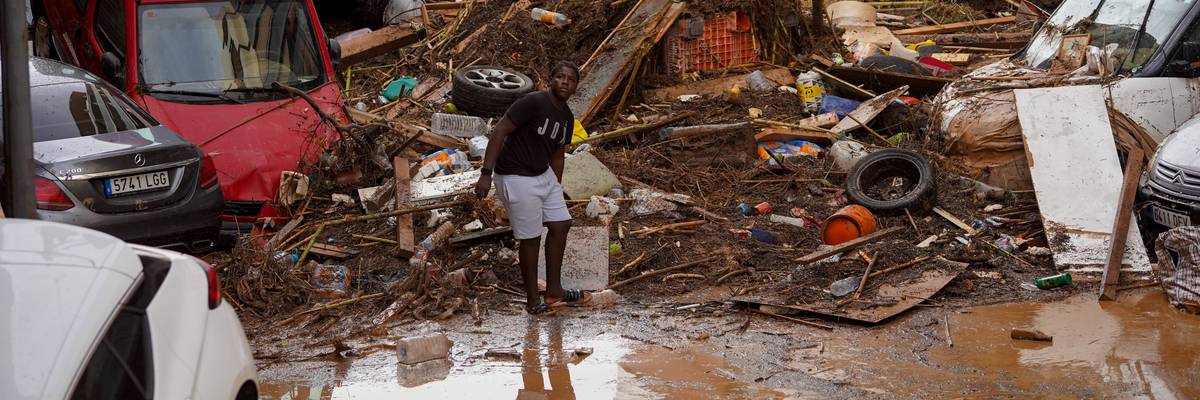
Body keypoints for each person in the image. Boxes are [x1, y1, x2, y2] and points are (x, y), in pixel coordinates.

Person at [475, 61, 584, 316]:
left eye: (570, 79)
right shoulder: (533, 102)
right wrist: (485, 173)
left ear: (576, 86)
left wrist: (555, 186)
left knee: (561, 225)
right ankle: (533, 299)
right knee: (531, 237)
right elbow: (500, 130)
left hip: (542, 174)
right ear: (550, 80)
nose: (565, 82)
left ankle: (555, 290)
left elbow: (558, 155)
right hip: (515, 174)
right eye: (560, 76)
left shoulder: (567, 117)